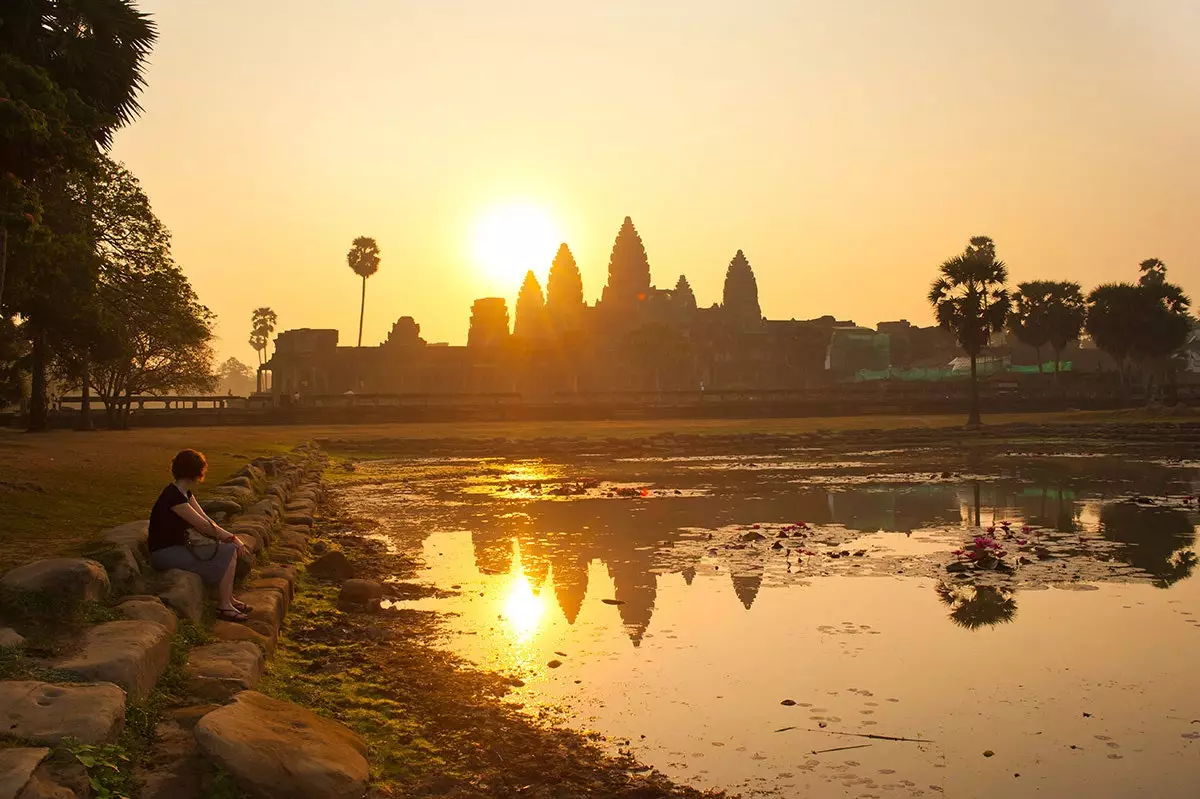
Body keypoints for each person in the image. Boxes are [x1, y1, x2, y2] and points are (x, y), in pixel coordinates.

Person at [148, 449, 254, 622]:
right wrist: (234, 539)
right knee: (228, 551)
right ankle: (224, 606)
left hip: (177, 548)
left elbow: (207, 519)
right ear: (197, 471)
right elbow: (204, 526)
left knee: (229, 549)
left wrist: (229, 537)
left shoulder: (184, 493)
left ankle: (228, 599)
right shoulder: (173, 497)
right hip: (165, 554)